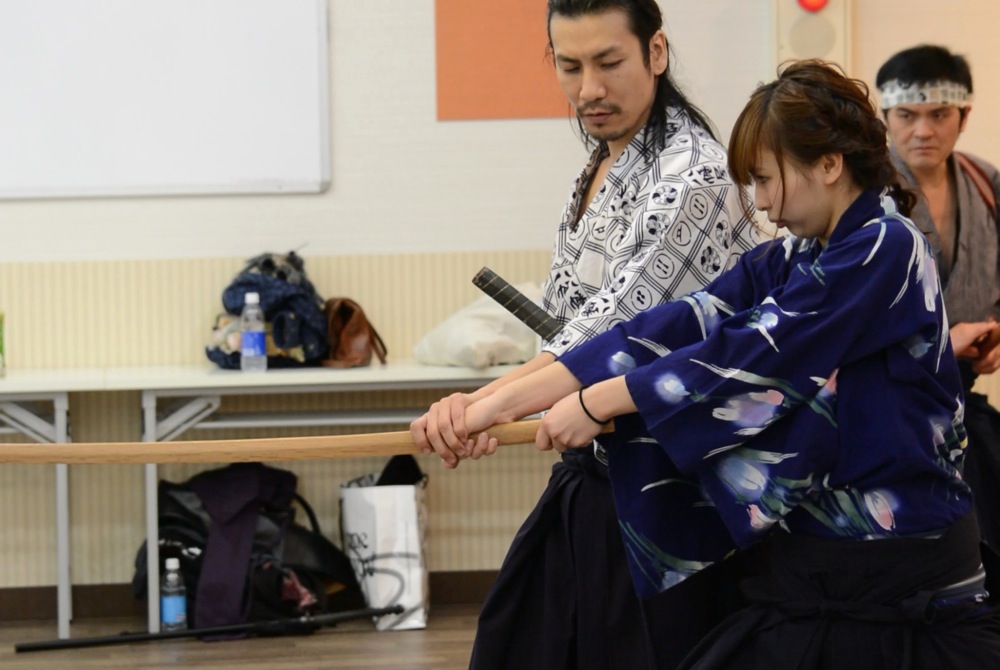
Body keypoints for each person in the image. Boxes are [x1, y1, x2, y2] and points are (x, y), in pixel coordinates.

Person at [446, 60, 1000, 668]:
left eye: (765, 179)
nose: (760, 203)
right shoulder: (796, 255)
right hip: (815, 567)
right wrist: (492, 405)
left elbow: (753, 352)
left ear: (829, 164)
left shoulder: (887, 246)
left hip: (903, 570)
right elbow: (672, 326)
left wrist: (596, 401)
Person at [411, 1, 758, 667]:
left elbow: (610, 339)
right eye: (570, 66)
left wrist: (481, 406)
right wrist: (482, 405)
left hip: (675, 489)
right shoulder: (605, 165)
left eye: (609, 62)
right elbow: (572, 331)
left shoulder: (694, 175)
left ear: (656, 53)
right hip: (602, 470)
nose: (589, 88)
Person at [876, 45, 1000, 585]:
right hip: (887, 412)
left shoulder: (985, 182)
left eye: (940, 114)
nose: (923, 130)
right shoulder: (866, 191)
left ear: (963, 116)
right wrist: (944, 340)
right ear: (885, 116)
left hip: (966, 404)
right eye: (907, 115)